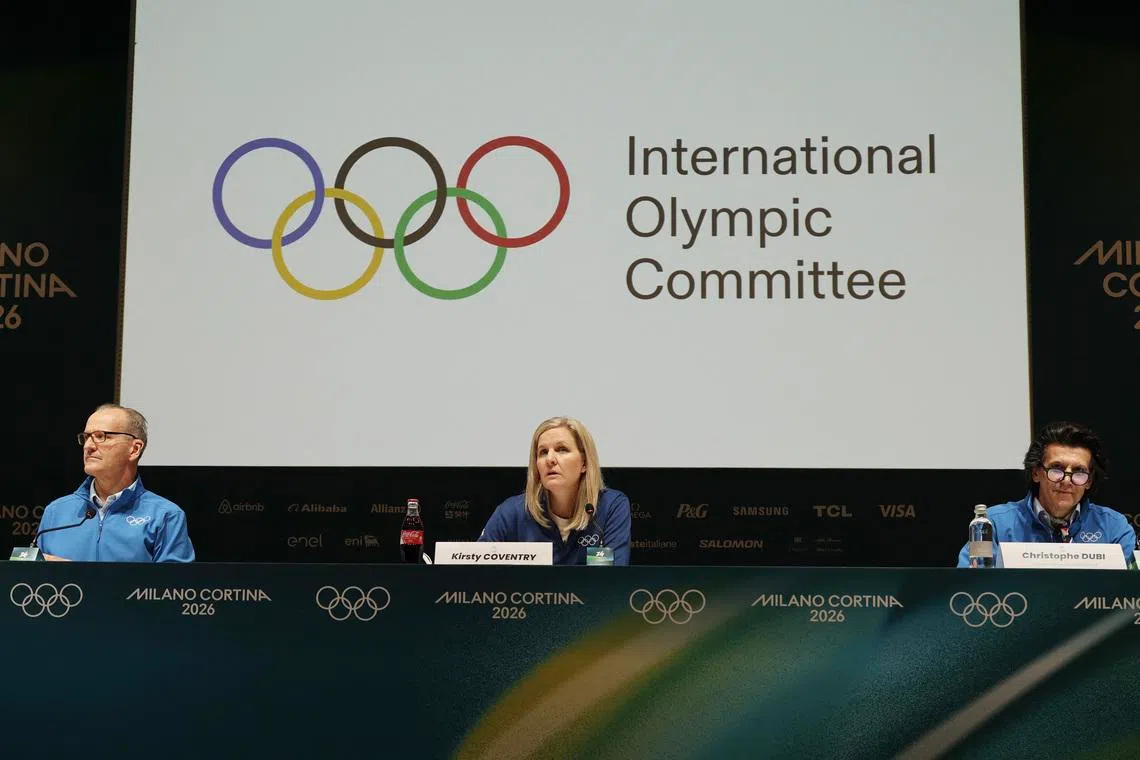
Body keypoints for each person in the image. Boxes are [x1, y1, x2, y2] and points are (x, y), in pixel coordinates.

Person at [956, 421, 1135, 567]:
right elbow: (970, 587)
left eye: (1079, 472)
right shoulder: (993, 524)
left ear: (1089, 481)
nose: (1066, 480)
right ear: (1036, 473)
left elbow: (1130, 592)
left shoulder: (1114, 527)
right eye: (1057, 469)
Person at [35, 403, 195, 562]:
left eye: (101, 436)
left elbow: (174, 579)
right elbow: (33, 576)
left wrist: (75, 574)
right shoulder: (55, 512)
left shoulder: (165, 516)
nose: (88, 446)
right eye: (86, 437)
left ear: (134, 449)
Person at [479, 416, 631, 565]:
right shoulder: (513, 511)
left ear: (584, 463)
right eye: (543, 452)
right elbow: (476, 568)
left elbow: (613, 574)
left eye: (562, 450)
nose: (550, 459)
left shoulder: (610, 506)